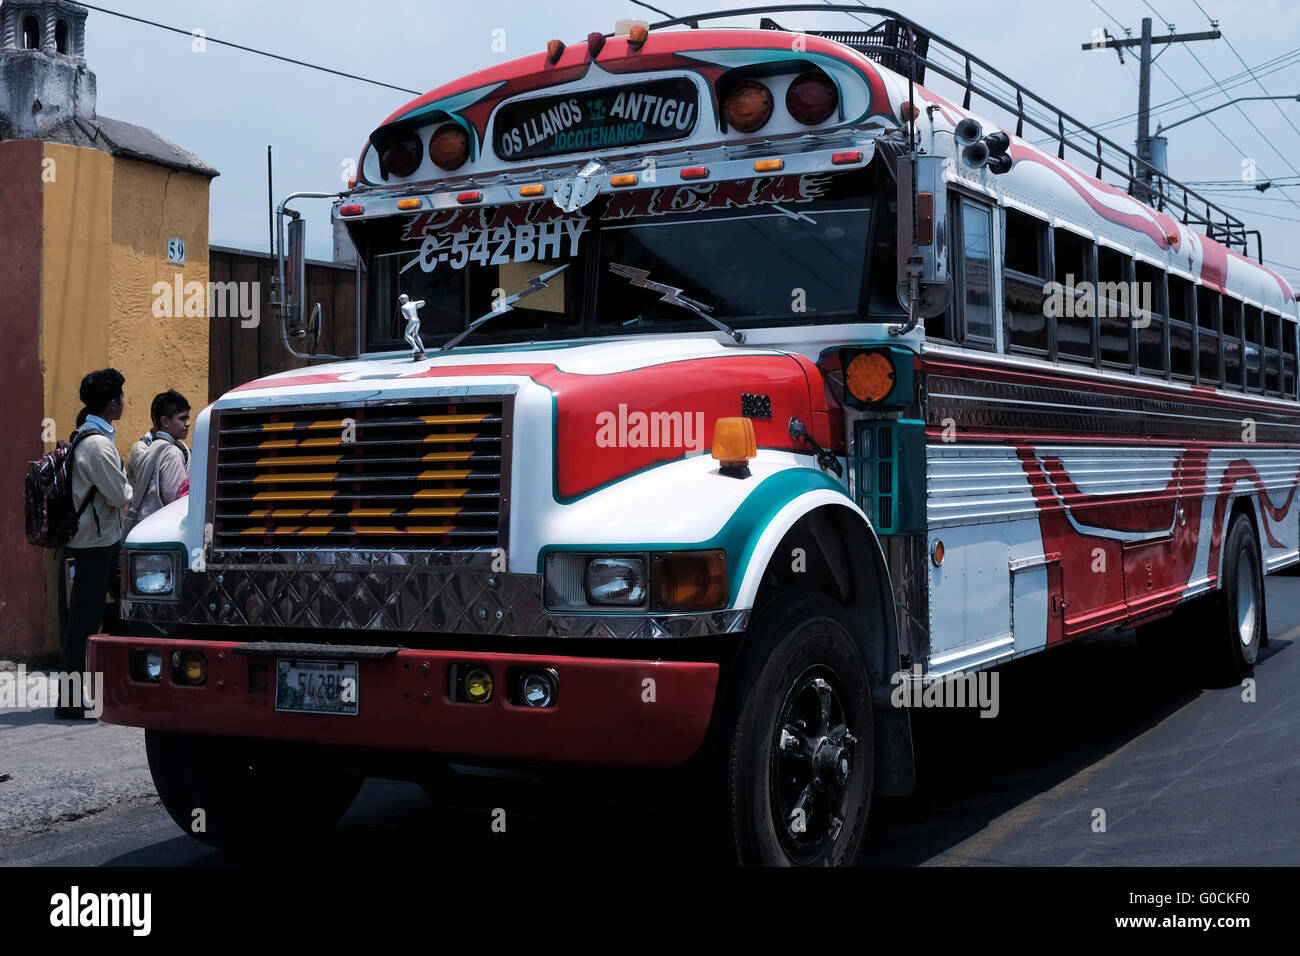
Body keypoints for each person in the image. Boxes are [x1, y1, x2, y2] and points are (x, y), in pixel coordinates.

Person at [60, 369, 132, 719]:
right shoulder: (97, 444)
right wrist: (127, 488)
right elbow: (119, 493)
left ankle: (120, 688)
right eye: (120, 396)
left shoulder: (89, 435)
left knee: (122, 611)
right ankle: (70, 700)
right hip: (95, 543)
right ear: (112, 402)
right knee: (84, 621)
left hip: (104, 539)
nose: (123, 402)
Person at [126, 389, 191, 530]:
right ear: (165, 421)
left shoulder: (154, 445)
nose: (188, 423)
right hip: (160, 527)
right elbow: (176, 501)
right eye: (182, 418)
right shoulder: (172, 453)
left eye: (188, 418)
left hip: (145, 525)